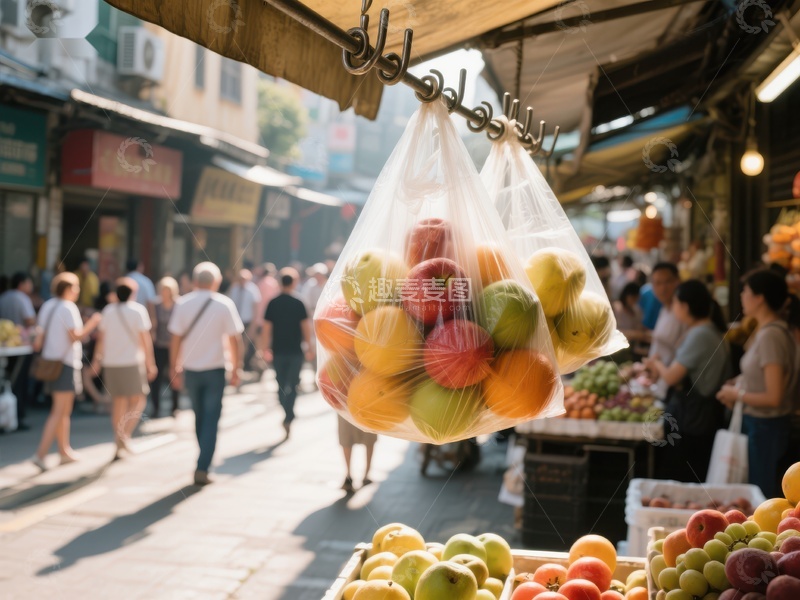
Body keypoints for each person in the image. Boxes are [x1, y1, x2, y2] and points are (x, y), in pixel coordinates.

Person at [717, 270, 797, 497]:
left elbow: (774, 396)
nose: (742, 295)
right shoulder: (768, 331)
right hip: (760, 426)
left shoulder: (772, 335)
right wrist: (740, 383)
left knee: (760, 495)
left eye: (746, 291)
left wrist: (737, 394)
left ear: (759, 297)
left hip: (766, 427)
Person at [644, 280, 729, 482]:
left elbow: (673, 376)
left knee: (684, 473)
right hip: (700, 417)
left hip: (695, 419)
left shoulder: (701, 334)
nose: (673, 307)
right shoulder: (705, 330)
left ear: (685, 306)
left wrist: (656, 364)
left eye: (675, 302)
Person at [169, 262, 243, 486]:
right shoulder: (224, 304)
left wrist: (174, 367)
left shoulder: (183, 303)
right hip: (215, 370)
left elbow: (175, 339)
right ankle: (203, 466)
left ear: (194, 281)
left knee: (199, 416)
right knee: (211, 418)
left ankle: (203, 460)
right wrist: (236, 368)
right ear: (216, 282)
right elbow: (234, 339)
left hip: (191, 369)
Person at [31, 273, 102, 470]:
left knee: (63, 410)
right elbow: (75, 336)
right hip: (65, 363)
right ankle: (40, 454)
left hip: (51, 362)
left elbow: (39, 336)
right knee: (59, 410)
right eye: (77, 287)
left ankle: (64, 450)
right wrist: (93, 323)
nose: (78, 291)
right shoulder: (68, 308)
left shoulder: (48, 305)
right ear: (69, 289)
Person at [91, 278, 157, 457]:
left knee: (118, 402)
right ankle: (124, 436)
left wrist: (97, 361)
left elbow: (101, 339)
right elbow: (145, 340)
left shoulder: (108, 310)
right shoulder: (138, 311)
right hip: (132, 362)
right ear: (132, 294)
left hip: (111, 363)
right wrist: (150, 363)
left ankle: (119, 439)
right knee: (139, 400)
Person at [261, 268, 314, 439]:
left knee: (281, 384)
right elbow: (305, 327)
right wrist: (309, 347)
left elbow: (267, 329)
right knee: (293, 384)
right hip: (295, 351)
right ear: (294, 282)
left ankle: (287, 412)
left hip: (278, 350)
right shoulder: (299, 302)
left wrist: (264, 349)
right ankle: (289, 414)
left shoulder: (273, 303)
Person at [0, 272, 37, 429]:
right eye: (29, 282)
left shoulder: (4, 297)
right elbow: (29, 319)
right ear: (22, 283)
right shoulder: (22, 298)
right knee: (19, 383)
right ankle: (17, 417)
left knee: (6, 381)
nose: (31, 286)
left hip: (5, 346)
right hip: (21, 347)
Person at [646, 263, 688, 397]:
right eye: (657, 283)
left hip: (675, 387)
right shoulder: (664, 309)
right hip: (659, 384)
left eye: (668, 282)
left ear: (678, 281)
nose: (663, 288)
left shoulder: (684, 314)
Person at [148, 277, 181, 418]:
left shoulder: (179, 304)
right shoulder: (155, 305)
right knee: (157, 378)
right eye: (162, 290)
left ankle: (175, 406)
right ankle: (156, 407)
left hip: (175, 346)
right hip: (159, 345)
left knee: (175, 375)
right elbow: (151, 324)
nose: (164, 293)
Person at [226, 269, 262, 373]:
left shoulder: (253, 289)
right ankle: (236, 365)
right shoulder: (234, 288)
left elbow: (256, 308)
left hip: (247, 322)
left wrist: (253, 325)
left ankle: (243, 365)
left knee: (246, 344)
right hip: (235, 320)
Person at [338, 415, 377, 493]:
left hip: (345, 407)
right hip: (368, 408)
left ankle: (349, 475)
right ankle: (365, 476)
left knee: (347, 439)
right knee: (369, 437)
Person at [613, 282, 650, 355]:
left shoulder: (636, 310)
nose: (634, 301)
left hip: (633, 346)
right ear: (627, 295)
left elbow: (640, 327)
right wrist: (636, 334)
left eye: (636, 298)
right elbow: (614, 330)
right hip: (618, 347)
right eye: (633, 298)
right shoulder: (617, 308)